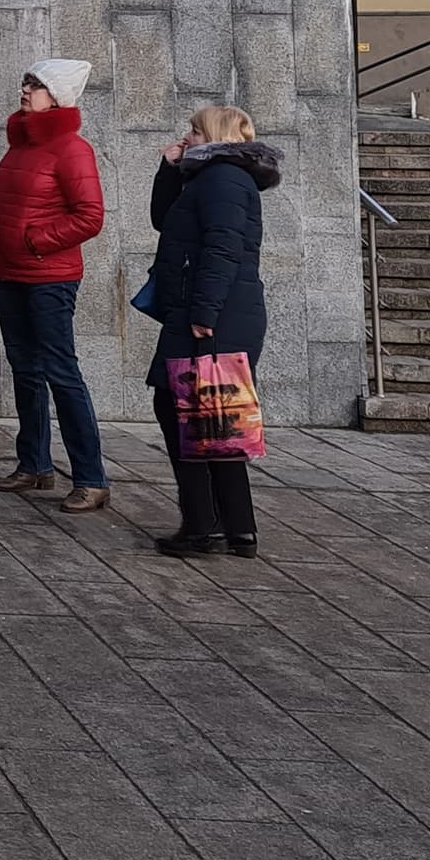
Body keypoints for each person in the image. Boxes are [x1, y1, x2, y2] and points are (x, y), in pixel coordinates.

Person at [0, 58, 109, 512]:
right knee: (25, 371)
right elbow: (2, 201)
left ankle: (91, 478)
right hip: (8, 272)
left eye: (35, 85)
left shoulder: (72, 149)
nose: (25, 91)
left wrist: (33, 242)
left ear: (58, 96)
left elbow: (89, 217)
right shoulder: (22, 145)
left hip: (49, 278)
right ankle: (34, 465)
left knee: (61, 373)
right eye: (25, 82)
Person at [143, 105, 279, 558]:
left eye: (195, 131)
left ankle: (203, 525)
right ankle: (237, 528)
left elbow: (223, 249)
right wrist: (168, 170)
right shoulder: (210, 177)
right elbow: (164, 219)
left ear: (215, 136)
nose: (188, 136)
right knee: (217, 416)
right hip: (212, 312)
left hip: (210, 316)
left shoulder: (223, 179)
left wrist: (204, 313)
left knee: (182, 409)